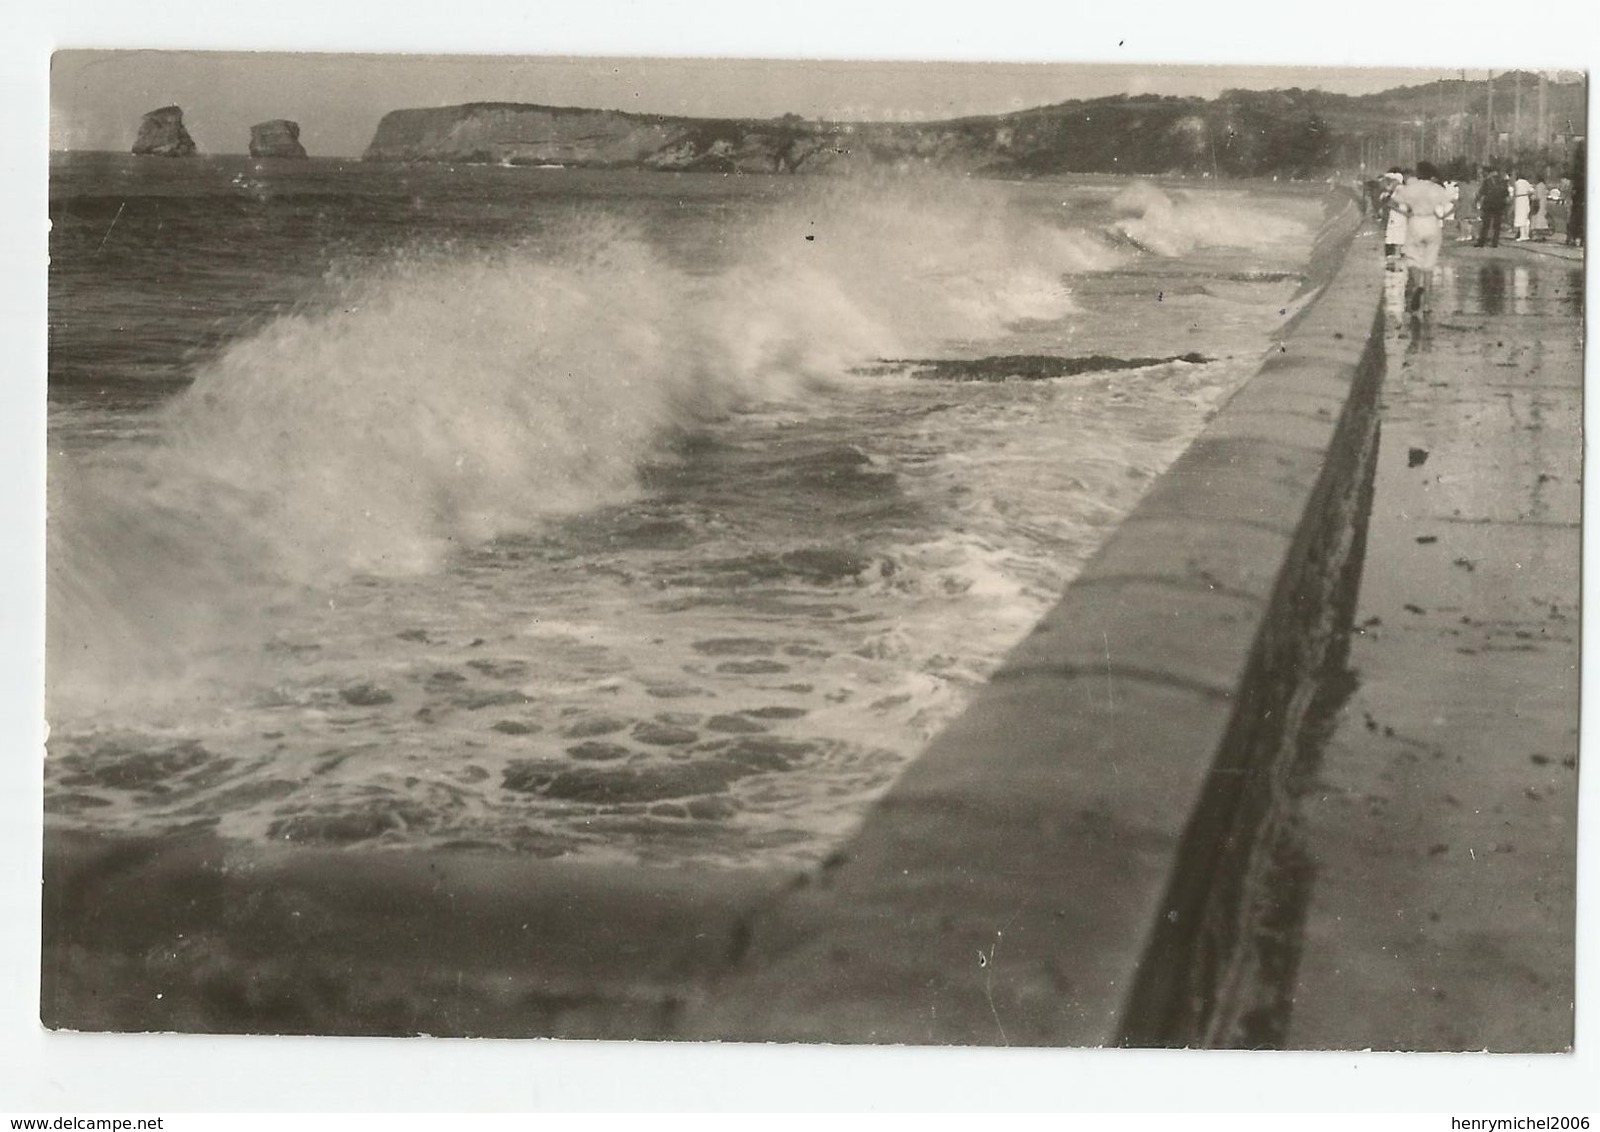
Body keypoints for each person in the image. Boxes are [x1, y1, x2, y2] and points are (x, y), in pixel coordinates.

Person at [1390, 161, 1453, 315]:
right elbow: (1453, 203)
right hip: (1432, 222)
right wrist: (1442, 216)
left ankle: (1418, 285)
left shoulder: (1410, 188)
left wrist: (1407, 214)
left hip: (1415, 222)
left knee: (1413, 260)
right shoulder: (1436, 188)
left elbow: (1390, 203)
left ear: (1418, 173)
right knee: (1429, 265)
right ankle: (1426, 306)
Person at [1474, 165, 1508, 247]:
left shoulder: (1487, 181)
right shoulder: (1502, 181)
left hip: (1488, 204)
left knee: (1486, 224)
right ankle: (1495, 242)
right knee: (1497, 225)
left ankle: (1482, 241)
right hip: (1499, 204)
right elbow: (1506, 193)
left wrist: (1476, 200)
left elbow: (1481, 192)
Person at [1381, 168, 1408, 269]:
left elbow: (1391, 204)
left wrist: (1404, 213)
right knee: (1398, 235)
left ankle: (1394, 259)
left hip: (1398, 216)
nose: (1390, 182)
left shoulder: (1399, 189)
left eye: (1392, 181)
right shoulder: (1400, 189)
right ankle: (1396, 257)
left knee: (1396, 235)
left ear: (1397, 181)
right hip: (1399, 216)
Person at [1511, 171, 1533, 241]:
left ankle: (1522, 235)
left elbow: (1513, 192)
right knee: (1526, 217)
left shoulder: (1517, 183)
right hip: (1525, 199)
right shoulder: (1526, 182)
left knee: (1520, 217)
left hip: (1519, 200)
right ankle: (1526, 234)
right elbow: (1531, 190)